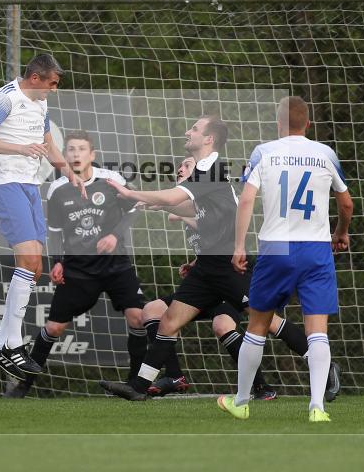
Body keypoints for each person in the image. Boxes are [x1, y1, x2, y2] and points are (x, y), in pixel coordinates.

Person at [145, 156, 340, 401]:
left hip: (232, 277)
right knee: (153, 309)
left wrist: (164, 205)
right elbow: (213, 242)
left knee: (254, 322)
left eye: (186, 165)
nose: (180, 169)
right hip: (207, 281)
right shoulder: (197, 205)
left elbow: (222, 229)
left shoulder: (215, 197)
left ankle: (315, 364)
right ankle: (172, 376)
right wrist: (195, 263)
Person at [99, 115, 256, 400]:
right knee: (165, 319)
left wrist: (131, 193)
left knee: (265, 321)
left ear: (209, 139)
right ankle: (140, 387)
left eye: (194, 129)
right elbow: (185, 210)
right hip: (208, 272)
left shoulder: (213, 172)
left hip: (230, 268)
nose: (188, 131)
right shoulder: (202, 181)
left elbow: (176, 203)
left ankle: (302, 364)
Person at [218, 96, 352, 423]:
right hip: (316, 249)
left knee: (257, 325)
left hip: (275, 246)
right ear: (308, 124)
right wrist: (340, 232)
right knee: (317, 329)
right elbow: (346, 204)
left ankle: (241, 401)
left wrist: (239, 245)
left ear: (278, 124)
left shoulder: (264, 151)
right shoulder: (325, 154)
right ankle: (317, 407)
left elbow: (247, 198)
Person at [4, 130, 146, 397]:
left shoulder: (111, 180)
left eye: (81, 149)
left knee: (138, 318)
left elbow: (135, 208)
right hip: (79, 270)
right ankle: (23, 384)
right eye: (70, 149)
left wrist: (115, 235)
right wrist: (57, 262)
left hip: (116, 266)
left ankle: (135, 385)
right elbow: (56, 232)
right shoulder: (57, 189)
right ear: (64, 156)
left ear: (92, 154)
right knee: (54, 327)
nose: (75, 154)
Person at [0, 54, 85, 380]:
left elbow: (48, 143)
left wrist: (68, 172)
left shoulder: (40, 104)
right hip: (5, 184)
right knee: (28, 259)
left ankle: (3, 344)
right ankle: (9, 343)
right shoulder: (4, 98)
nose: (53, 89)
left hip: (30, 186)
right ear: (35, 78)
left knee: (34, 267)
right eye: (51, 83)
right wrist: (20, 149)